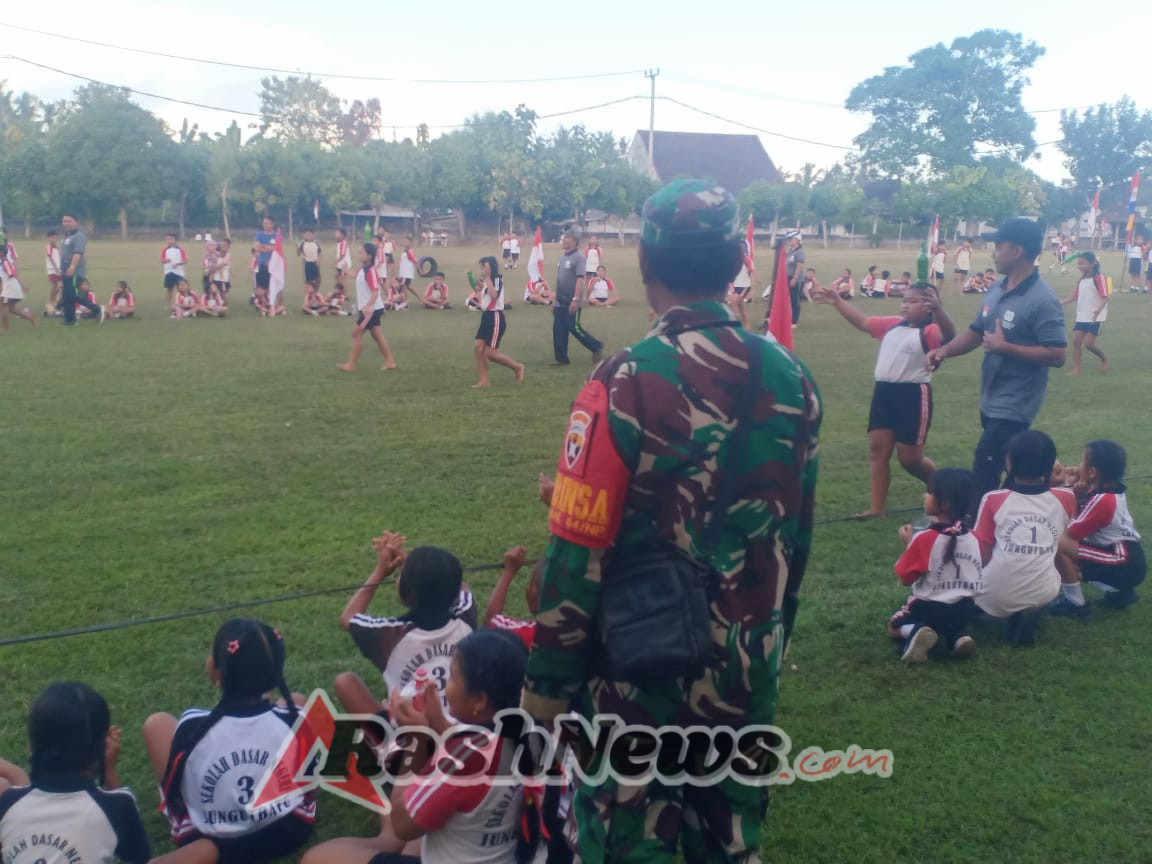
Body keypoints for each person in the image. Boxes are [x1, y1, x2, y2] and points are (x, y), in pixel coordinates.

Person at [522, 179, 822, 864]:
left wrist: (544, 691)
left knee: (627, 841)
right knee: (728, 838)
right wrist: (768, 643)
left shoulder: (624, 378)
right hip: (746, 664)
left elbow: (576, 549)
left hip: (636, 676)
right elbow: (796, 541)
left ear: (645, 265)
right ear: (734, 262)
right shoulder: (794, 379)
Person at [303, 630, 535, 864]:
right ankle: (390, 844)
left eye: (452, 678)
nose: (444, 685)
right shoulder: (527, 734)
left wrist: (415, 737)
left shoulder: (462, 757)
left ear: (479, 701)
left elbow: (402, 824)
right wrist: (438, 725)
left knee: (317, 858)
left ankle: (386, 843)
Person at [143, 619, 316, 864]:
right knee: (297, 700)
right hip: (287, 831)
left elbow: (175, 798)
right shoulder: (292, 719)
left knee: (157, 723)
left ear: (217, 672)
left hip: (214, 843)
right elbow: (311, 788)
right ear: (275, 674)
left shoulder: (192, 726)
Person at [926, 218, 1067, 512]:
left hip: (1016, 403)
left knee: (985, 467)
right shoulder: (998, 288)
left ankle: (973, 533)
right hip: (990, 398)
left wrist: (1006, 348)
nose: (993, 253)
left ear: (1017, 251)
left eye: (998, 247)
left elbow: (1057, 354)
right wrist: (943, 351)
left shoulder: (1043, 300)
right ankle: (1022, 517)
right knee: (1013, 469)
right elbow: (977, 332)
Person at [815, 281, 953, 519]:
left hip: (912, 396)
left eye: (913, 301)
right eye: (904, 300)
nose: (905, 305)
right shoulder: (892, 326)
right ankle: (877, 508)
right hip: (883, 394)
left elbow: (949, 335)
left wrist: (940, 310)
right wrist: (838, 302)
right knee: (877, 450)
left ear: (929, 307)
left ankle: (945, 487)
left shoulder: (929, 332)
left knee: (910, 459)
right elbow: (863, 322)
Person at [0, 682, 151, 864]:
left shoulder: (8, 802)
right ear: (102, 748)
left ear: (30, 745)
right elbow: (139, 858)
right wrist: (109, 771)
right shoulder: (118, 807)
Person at [333, 531, 475, 716]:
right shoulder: (465, 617)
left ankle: (384, 743)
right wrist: (421, 568)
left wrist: (380, 572)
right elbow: (462, 587)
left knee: (345, 682)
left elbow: (348, 617)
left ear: (409, 596)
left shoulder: (390, 635)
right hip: (462, 727)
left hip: (413, 735)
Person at [972, 430, 1077, 645]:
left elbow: (980, 552)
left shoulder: (993, 499)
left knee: (964, 591)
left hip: (993, 592)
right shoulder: (1067, 497)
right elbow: (1044, 498)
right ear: (1051, 466)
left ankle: (974, 613)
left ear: (1008, 463)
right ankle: (1028, 608)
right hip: (1044, 590)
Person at [888, 469, 984, 661]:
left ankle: (916, 631)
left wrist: (910, 544)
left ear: (945, 503)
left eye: (930, 492)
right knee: (955, 624)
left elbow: (906, 577)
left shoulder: (924, 538)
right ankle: (959, 637)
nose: (925, 496)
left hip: (929, 608)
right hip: (964, 608)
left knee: (892, 627)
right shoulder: (974, 537)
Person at [1051, 439, 1145, 614]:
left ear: (1092, 472)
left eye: (1082, 462)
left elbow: (1071, 532)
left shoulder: (1103, 500)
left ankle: (1075, 605)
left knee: (1057, 542)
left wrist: (1074, 496)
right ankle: (1119, 593)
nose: (1078, 467)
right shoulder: (1110, 492)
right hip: (1129, 560)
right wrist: (1074, 487)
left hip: (1123, 562)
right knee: (1072, 551)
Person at [340, 243, 397, 372]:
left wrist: (367, 306)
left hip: (371, 310)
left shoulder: (371, 271)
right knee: (376, 335)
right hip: (371, 309)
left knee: (356, 333)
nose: (358, 255)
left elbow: (375, 291)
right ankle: (390, 361)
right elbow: (356, 275)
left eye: (361, 253)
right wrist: (346, 270)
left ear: (369, 256)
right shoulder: (362, 268)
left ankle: (352, 365)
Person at [551, 231, 603, 366]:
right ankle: (561, 359)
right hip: (560, 299)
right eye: (563, 238)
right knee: (558, 329)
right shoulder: (562, 258)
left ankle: (596, 346)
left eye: (567, 238)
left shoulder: (579, 257)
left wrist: (575, 299)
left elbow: (580, 278)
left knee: (574, 327)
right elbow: (559, 279)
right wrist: (555, 298)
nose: (564, 241)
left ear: (574, 241)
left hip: (572, 300)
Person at [472, 256, 525, 389]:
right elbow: (484, 299)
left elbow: (494, 295)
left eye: (484, 266)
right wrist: (479, 288)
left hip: (495, 317)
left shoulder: (497, 279)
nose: (482, 269)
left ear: (491, 267)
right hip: (486, 316)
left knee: (490, 354)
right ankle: (484, 381)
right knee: (478, 347)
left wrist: (488, 278)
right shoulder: (486, 281)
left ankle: (517, 367)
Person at [1060, 250, 1110, 374]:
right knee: (1076, 341)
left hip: (1095, 317)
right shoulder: (1081, 279)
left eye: (1083, 264)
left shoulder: (1099, 278)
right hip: (1082, 315)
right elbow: (1074, 296)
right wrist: (1060, 302)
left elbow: (1105, 296)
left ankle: (1104, 359)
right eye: (1079, 264)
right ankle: (1076, 369)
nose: (1080, 267)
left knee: (1089, 344)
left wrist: (1098, 310)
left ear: (1093, 263)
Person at [483, 546, 541, 650]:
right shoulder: (578, 633)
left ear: (531, 598)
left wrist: (508, 572)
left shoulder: (528, 634)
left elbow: (491, 620)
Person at [59, 213, 103, 325]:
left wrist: (72, 267)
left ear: (76, 222)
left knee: (72, 294)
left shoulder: (79, 236)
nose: (66, 223)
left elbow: (78, 253)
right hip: (65, 270)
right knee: (67, 296)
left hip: (74, 271)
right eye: (64, 221)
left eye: (69, 221)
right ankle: (70, 320)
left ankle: (96, 309)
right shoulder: (67, 236)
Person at [0, 243, 37, 331]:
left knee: (2, 307)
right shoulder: (3, 262)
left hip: (10, 289)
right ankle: (32, 319)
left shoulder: (5, 262)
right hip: (9, 288)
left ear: (1, 252)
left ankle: (5, 329)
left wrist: (22, 285)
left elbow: (13, 274)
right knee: (12, 309)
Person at [727, 240, 755, 326]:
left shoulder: (746, 259)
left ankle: (734, 325)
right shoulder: (733, 259)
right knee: (741, 306)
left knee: (733, 303)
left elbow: (752, 271)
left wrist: (751, 288)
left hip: (744, 286)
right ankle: (747, 325)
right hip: (735, 285)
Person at [162, 232, 188, 310]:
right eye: (168, 239)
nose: (169, 241)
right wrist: (166, 260)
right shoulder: (165, 249)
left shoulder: (180, 249)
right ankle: (168, 305)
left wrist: (178, 264)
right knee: (169, 288)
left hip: (179, 272)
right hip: (169, 271)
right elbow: (161, 260)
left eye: (171, 239)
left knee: (181, 289)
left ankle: (182, 304)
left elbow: (185, 260)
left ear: (175, 240)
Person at [254, 216, 277, 306]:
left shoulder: (276, 235)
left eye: (267, 223)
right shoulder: (259, 234)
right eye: (264, 223)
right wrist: (270, 248)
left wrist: (264, 246)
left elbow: (278, 249)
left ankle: (268, 303)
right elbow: (257, 247)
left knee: (270, 286)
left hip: (274, 264)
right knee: (260, 287)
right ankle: (261, 302)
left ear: (272, 224)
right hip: (262, 263)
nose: (265, 225)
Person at [786, 234, 805, 324]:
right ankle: (787, 318)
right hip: (787, 277)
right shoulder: (790, 251)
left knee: (795, 300)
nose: (790, 241)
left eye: (792, 239)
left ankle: (794, 321)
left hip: (795, 278)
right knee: (787, 300)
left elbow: (799, 266)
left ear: (797, 241)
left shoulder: (799, 252)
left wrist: (795, 278)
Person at [45, 229, 62, 310]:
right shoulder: (49, 246)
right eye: (52, 238)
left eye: (55, 237)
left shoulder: (57, 248)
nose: (54, 239)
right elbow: (50, 257)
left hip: (58, 269)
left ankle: (55, 301)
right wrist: (55, 268)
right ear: (48, 238)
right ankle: (51, 301)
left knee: (58, 285)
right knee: (56, 285)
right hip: (52, 269)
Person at [334, 227, 352, 292]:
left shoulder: (343, 243)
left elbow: (342, 254)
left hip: (344, 263)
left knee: (343, 279)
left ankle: (345, 295)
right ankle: (339, 292)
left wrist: (335, 262)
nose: (336, 235)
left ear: (343, 235)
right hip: (340, 264)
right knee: (337, 277)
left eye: (338, 233)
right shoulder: (339, 243)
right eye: (336, 233)